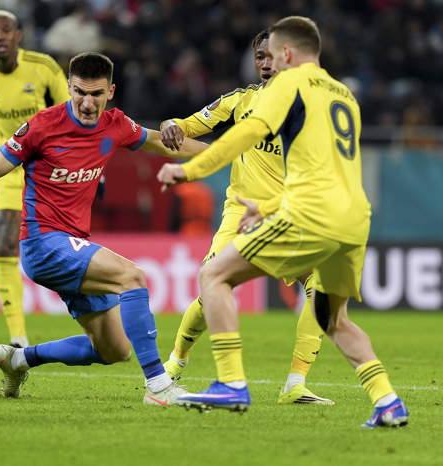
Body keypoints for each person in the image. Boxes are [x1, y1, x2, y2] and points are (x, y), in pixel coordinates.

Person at [158, 17, 408, 428]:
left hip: (307, 213)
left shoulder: (288, 85)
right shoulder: (343, 94)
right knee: (334, 319)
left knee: (214, 276)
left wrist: (188, 170)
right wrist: (273, 203)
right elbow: (328, 167)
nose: (267, 62)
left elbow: (247, 133)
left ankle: (231, 384)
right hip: (352, 216)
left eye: (272, 54)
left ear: (286, 52)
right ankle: (388, 401)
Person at [0, 52, 209, 406]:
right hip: (42, 243)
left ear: (110, 92)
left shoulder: (116, 125)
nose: (87, 103)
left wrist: (229, 154)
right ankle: (159, 387)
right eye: (80, 92)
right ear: (68, 87)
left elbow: (163, 142)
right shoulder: (42, 126)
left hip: (74, 244)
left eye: (96, 94)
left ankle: (18, 359)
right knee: (133, 277)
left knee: (114, 349)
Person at [158, 29, 332, 405]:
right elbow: (187, 125)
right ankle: (174, 364)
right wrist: (172, 123)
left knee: (322, 285)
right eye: (259, 57)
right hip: (242, 211)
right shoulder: (240, 101)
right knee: (212, 284)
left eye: (272, 56)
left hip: (288, 213)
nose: (265, 64)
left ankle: (295, 383)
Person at [0, 10, 71, 349]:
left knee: (65, 250)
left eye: (6, 30)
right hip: (11, 174)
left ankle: (93, 318)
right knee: (5, 246)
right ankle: (17, 337)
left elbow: (71, 113)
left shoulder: (43, 68)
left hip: (50, 174)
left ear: (18, 36)